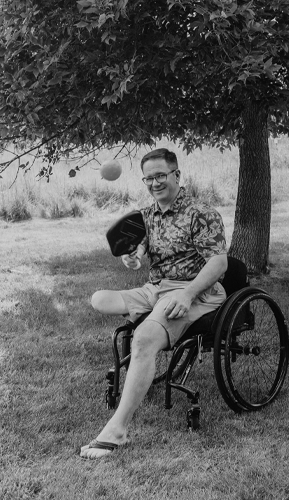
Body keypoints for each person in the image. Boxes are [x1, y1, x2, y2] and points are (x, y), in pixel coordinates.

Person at [80, 148, 228, 459]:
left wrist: (187, 295)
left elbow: (218, 264)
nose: (154, 183)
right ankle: (150, 327)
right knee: (99, 299)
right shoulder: (146, 216)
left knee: (144, 339)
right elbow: (139, 253)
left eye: (160, 175)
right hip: (156, 289)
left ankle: (116, 431)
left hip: (194, 290)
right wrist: (131, 258)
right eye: (148, 178)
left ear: (177, 174)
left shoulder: (201, 213)